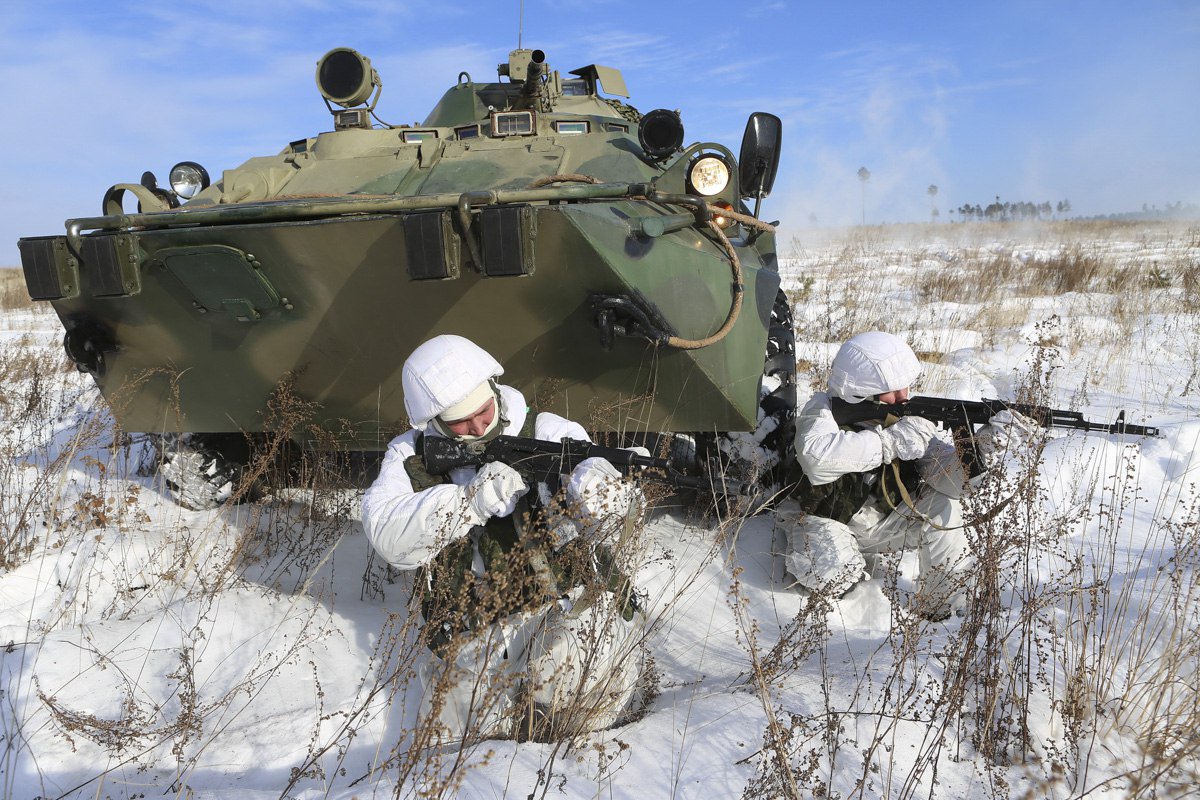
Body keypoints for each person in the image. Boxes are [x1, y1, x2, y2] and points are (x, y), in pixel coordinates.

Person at [361, 334, 648, 742]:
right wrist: (470, 502)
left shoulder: (546, 430)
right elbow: (388, 536)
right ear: (434, 423)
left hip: (562, 604)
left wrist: (600, 493)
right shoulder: (410, 457)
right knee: (459, 738)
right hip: (474, 624)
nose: (478, 425)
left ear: (495, 390)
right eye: (460, 421)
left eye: (484, 410)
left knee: (580, 695)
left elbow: (605, 485)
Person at [780, 331, 974, 620]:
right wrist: (891, 443)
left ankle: (943, 611)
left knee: (946, 507)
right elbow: (816, 459)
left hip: (882, 522)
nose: (903, 396)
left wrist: (981, 452)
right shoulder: (820, 413)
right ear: (862, 391)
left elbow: (947, 479)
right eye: (893, 390)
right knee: (830, 571)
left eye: (905, 387)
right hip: (823, 521)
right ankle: (860, 610)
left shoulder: (900, 414)